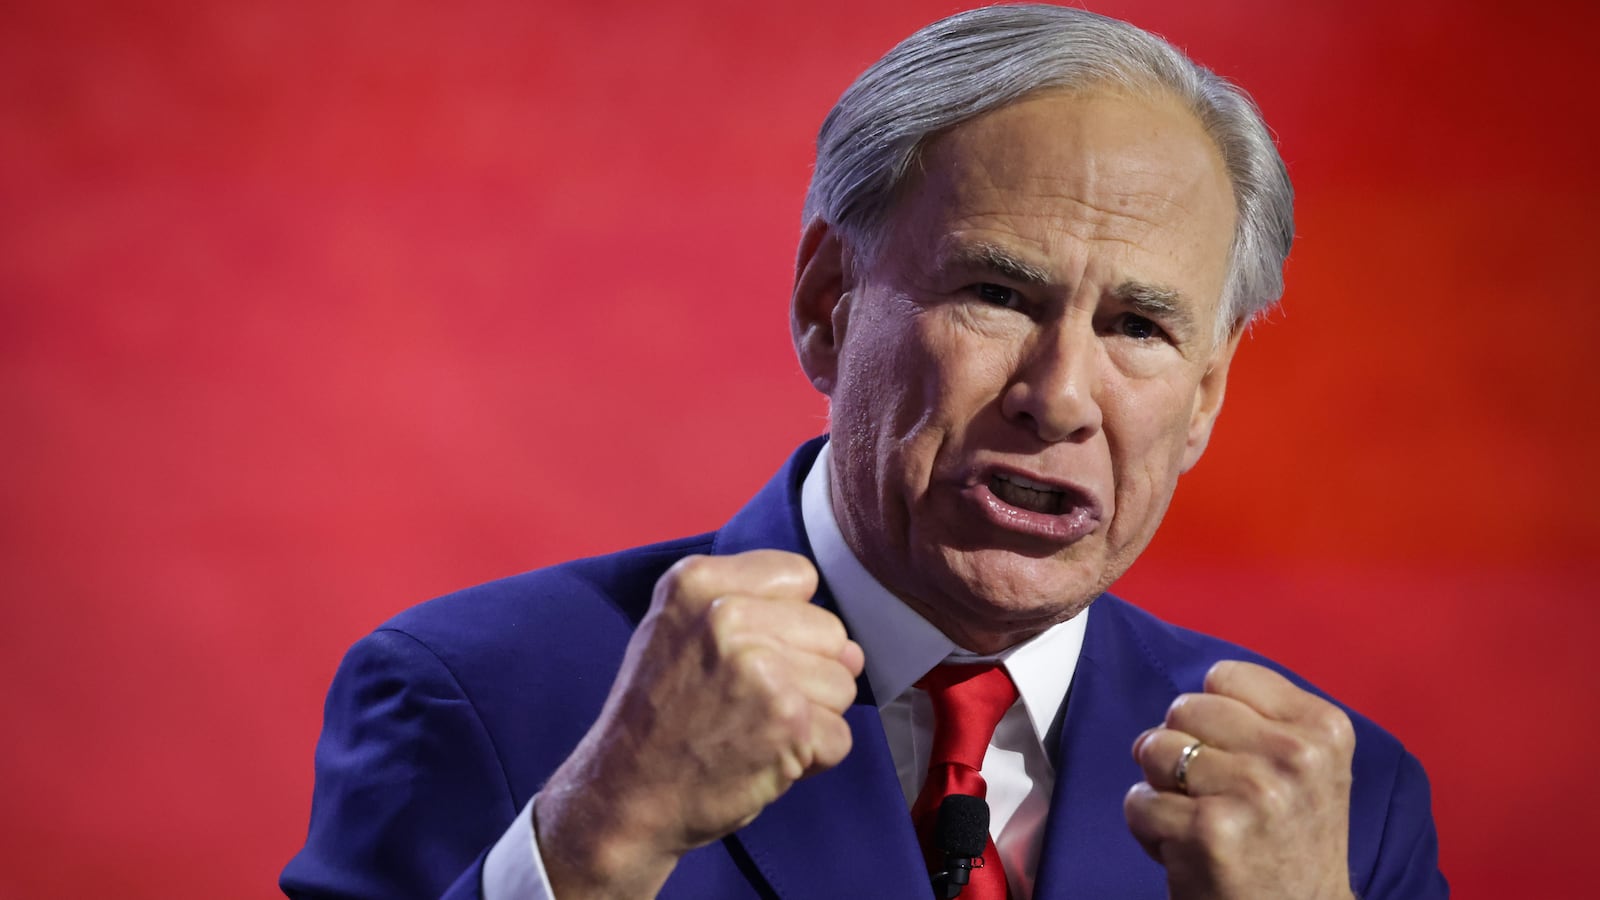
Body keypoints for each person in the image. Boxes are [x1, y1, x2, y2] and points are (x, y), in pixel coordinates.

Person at [283, 5, 1446, 899]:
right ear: (830, 302)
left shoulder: (1338, 805)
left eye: (1138, 327)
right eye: (996, 293)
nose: (1058, 397)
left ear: (1206, 393)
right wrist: (595, 841)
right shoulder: (479, 697)